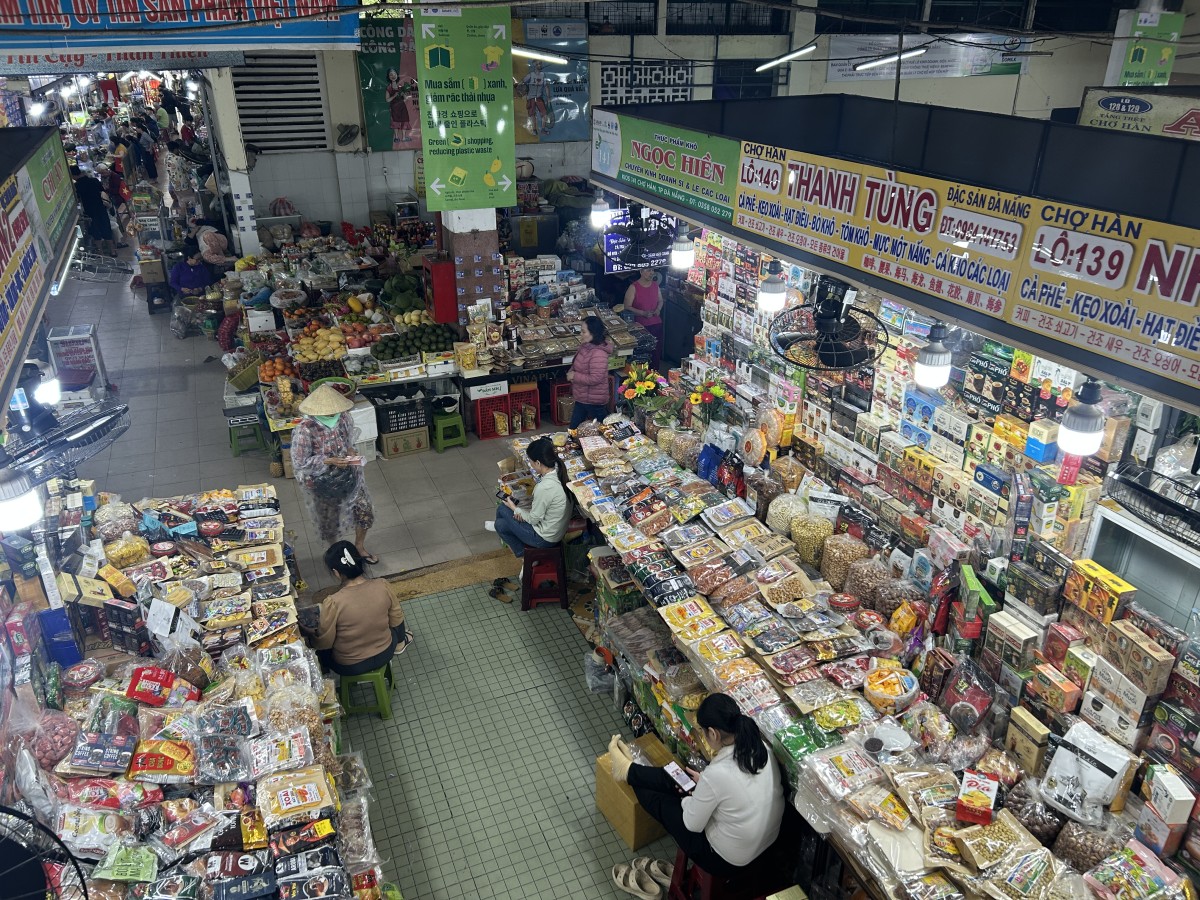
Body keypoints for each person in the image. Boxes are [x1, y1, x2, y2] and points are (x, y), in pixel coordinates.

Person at [609, 693, 784, 878]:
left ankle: (628, 772)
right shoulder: (761, 748)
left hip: (726, 860)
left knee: (662, 803)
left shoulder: (717, 774)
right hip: (765, 842)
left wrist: (687, 799)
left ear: (714, 733)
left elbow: (692, 824)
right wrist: (700, 787)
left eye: (702, 731)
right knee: (679, 779)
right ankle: (630, 770)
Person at [290, 384, 379, 564]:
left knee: (364, 511)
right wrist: (328, 460)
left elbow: (347, 441)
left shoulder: (344, 418)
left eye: (336, 412)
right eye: (329, 413)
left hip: (349, 475)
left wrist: (350, 450)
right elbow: (300, 462)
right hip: (322, 481)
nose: (334, 415)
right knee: (329, 520)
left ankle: (359, 546)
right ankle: (336, 551)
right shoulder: (305, 429)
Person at [304, 542, 412, 675]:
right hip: (386, 651)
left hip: (350, 665)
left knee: (321, 650)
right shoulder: (382, 585)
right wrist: (399, 638)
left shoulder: (333, 602)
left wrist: (309, 638)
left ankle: (324, 674)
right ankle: (401, 643)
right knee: (392, 621)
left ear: (336, 573)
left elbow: (326, 642)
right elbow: (397, 618)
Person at [484, 436, 570, 559]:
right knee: (501, 524)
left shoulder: (544, 487)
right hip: (554, 530)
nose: (530, 465)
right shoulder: (560, 473)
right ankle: (522, 552)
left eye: (530, 462)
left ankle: (526, 556)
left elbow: (534, 519)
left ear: (538, 463)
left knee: (502, 510)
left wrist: (515, 508)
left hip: (544, 538)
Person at [567, 315, 612, 427]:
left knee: (604, 429)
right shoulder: (585, 346)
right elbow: (577, 363)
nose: (581, 334)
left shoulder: (599, 353)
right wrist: (571, 372)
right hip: (582, 396)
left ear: (593, 333)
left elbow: (596, 378)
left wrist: (575, 376)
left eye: (583, 332)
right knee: (574, 429)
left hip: (594, 400)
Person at [70, 166, 117, 256]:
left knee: (95, 230)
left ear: (73, 176)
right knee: (106, 228)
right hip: (100, 208)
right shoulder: (94, 180)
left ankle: (100, 252)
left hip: (90, 211)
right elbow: (102, 191)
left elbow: (78, 199)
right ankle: (113, 250)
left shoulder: (77, 186)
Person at [624, 267, 664, 370]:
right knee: (641, 355)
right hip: (640, 327)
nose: (651, 273)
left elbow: (660, 301)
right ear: (641, 272)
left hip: (656, 324)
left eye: (652, 270)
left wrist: (658, 309)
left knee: (655, 352)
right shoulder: (633, 287)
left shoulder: (655, 286)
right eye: (648, 270)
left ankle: (654, 375)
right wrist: (642, 313)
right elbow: (627, 306)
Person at [384, 68, 416, 148]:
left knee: (404, 119)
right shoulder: (389, 88)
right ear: (388, 77)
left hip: (402, 106)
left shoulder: (400, 87)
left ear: (397, 75)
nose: (393, 76)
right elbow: (387, 100)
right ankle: (396, 137)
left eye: (394, 74)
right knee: (396, 121)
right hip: (394, 107)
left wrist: (404, 97)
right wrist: (394, 96)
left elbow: (405, 98)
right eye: (390, 74)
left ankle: (404, 137)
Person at [521, 61, 553, 136]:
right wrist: (523, 93)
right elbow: (522, 82)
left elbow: (546, 86)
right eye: (537, 64)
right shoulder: (531, 75)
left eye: (540, 64)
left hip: (539, 97)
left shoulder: (542, 75)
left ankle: (543, 129)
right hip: (531, 97)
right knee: (532, 114)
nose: (539, 65)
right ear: (534, 66)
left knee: (544, 114)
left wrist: (548, 97)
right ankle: (534, 129)